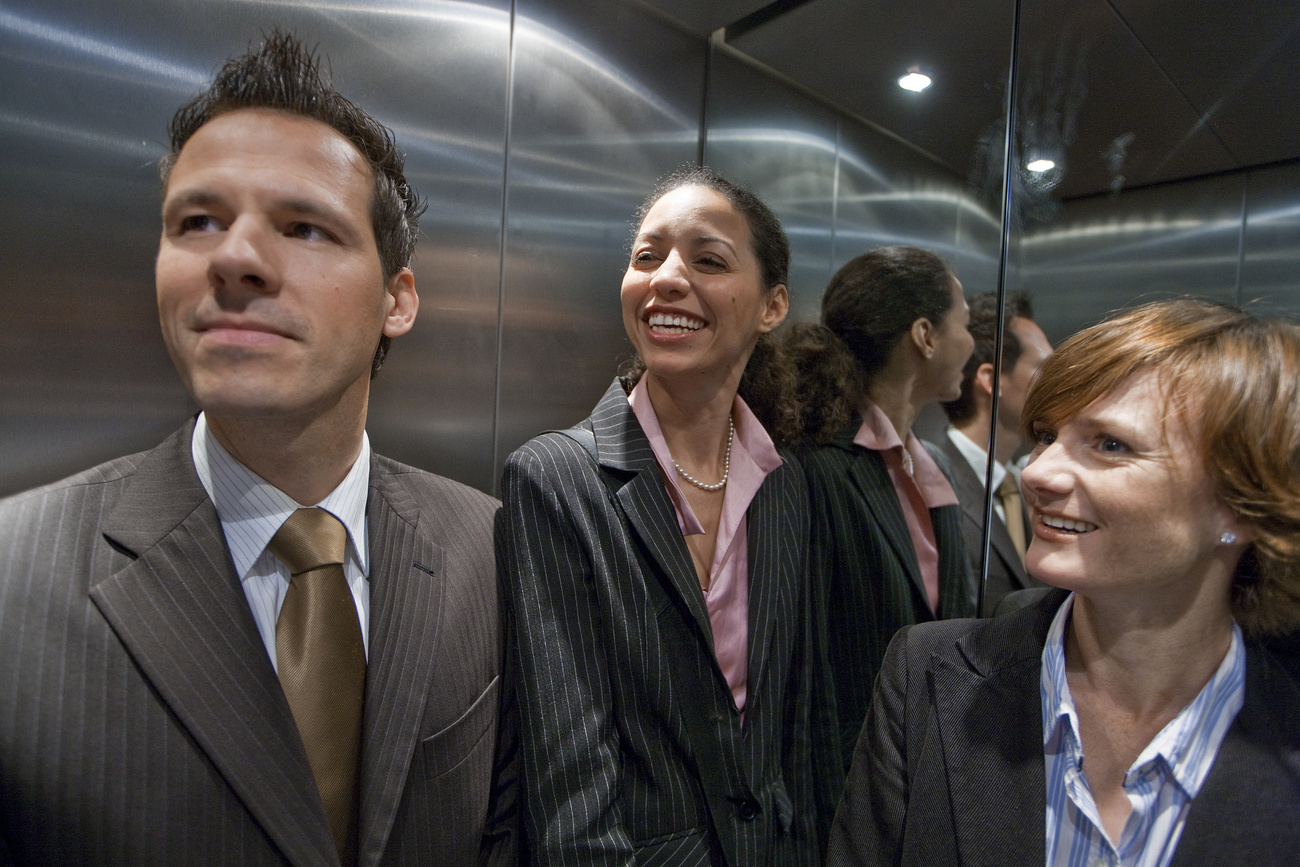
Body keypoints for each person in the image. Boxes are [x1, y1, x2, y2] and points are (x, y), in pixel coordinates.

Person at [0, 32, 516, 866]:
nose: (235, 258)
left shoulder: (488, 549)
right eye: (197, 221)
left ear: (398, 299)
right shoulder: (14, 577)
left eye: (305, 227)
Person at [828, 299, 1300, 866]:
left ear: (1240, 506)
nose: (1038, 472)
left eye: (1110, 445)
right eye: (1048, 435)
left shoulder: (1280, 731)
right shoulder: (930, 679)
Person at [499, 167, 820, 865]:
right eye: (647, 256)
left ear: (772, 306)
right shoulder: (555, 478)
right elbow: (570, 780)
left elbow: (797, 735)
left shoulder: (785, 481)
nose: (666, 279)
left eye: (708, 260)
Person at [786, 246, 976, 801]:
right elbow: (807, 672)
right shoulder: (814, 463)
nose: (970, 342)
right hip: (847, 794)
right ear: (925, 335)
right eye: (963, 322)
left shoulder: (930, 464)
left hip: (930, 779)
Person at [938, 291, 1053, 614]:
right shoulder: (932, 482)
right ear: (991, 379)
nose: (1056, 385)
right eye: (1044, 369)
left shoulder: (1029, 485)